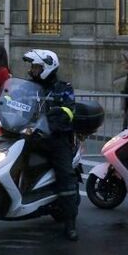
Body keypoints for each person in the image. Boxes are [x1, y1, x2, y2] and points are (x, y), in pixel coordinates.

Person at [23, 49, 79, 242]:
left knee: (66, 176)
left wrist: (52, 122)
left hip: (56, 139)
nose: (32, 70)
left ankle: (70, 223)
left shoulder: (64, 88)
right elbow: (13, 103)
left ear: (47, 67)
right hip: (32, 136)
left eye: (36, 67)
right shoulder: (29, 87)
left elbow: (69, 111)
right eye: (32, 67)